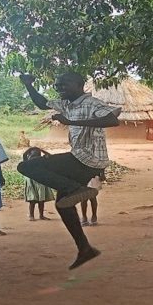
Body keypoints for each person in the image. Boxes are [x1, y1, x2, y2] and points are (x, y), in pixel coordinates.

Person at [16, 72, 121, 270]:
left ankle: (75, 188)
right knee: (63, 205)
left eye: (64, 84)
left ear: (80, 84)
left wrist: (70, 122)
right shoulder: (66, 104)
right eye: (57, 85)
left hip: (87, 158)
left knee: (27, 166)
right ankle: (85, 248)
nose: (59, 87)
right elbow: (42, 103)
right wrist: (29, 85)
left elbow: (111, 120)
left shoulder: (92, 104)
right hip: (81, 158)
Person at [22, 147, 54, 221]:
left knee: (41, 200)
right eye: (33, 154)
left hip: (40, 182)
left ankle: (41, 215)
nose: (34, 156)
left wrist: (39, 150)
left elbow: (51, 156)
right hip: (32, 182)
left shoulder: (41, 161)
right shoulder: (27, 162)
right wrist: (33, 149)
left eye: (36, 154)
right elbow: (24, 155)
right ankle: (31, 215)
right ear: (29, 155)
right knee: (32, 200)